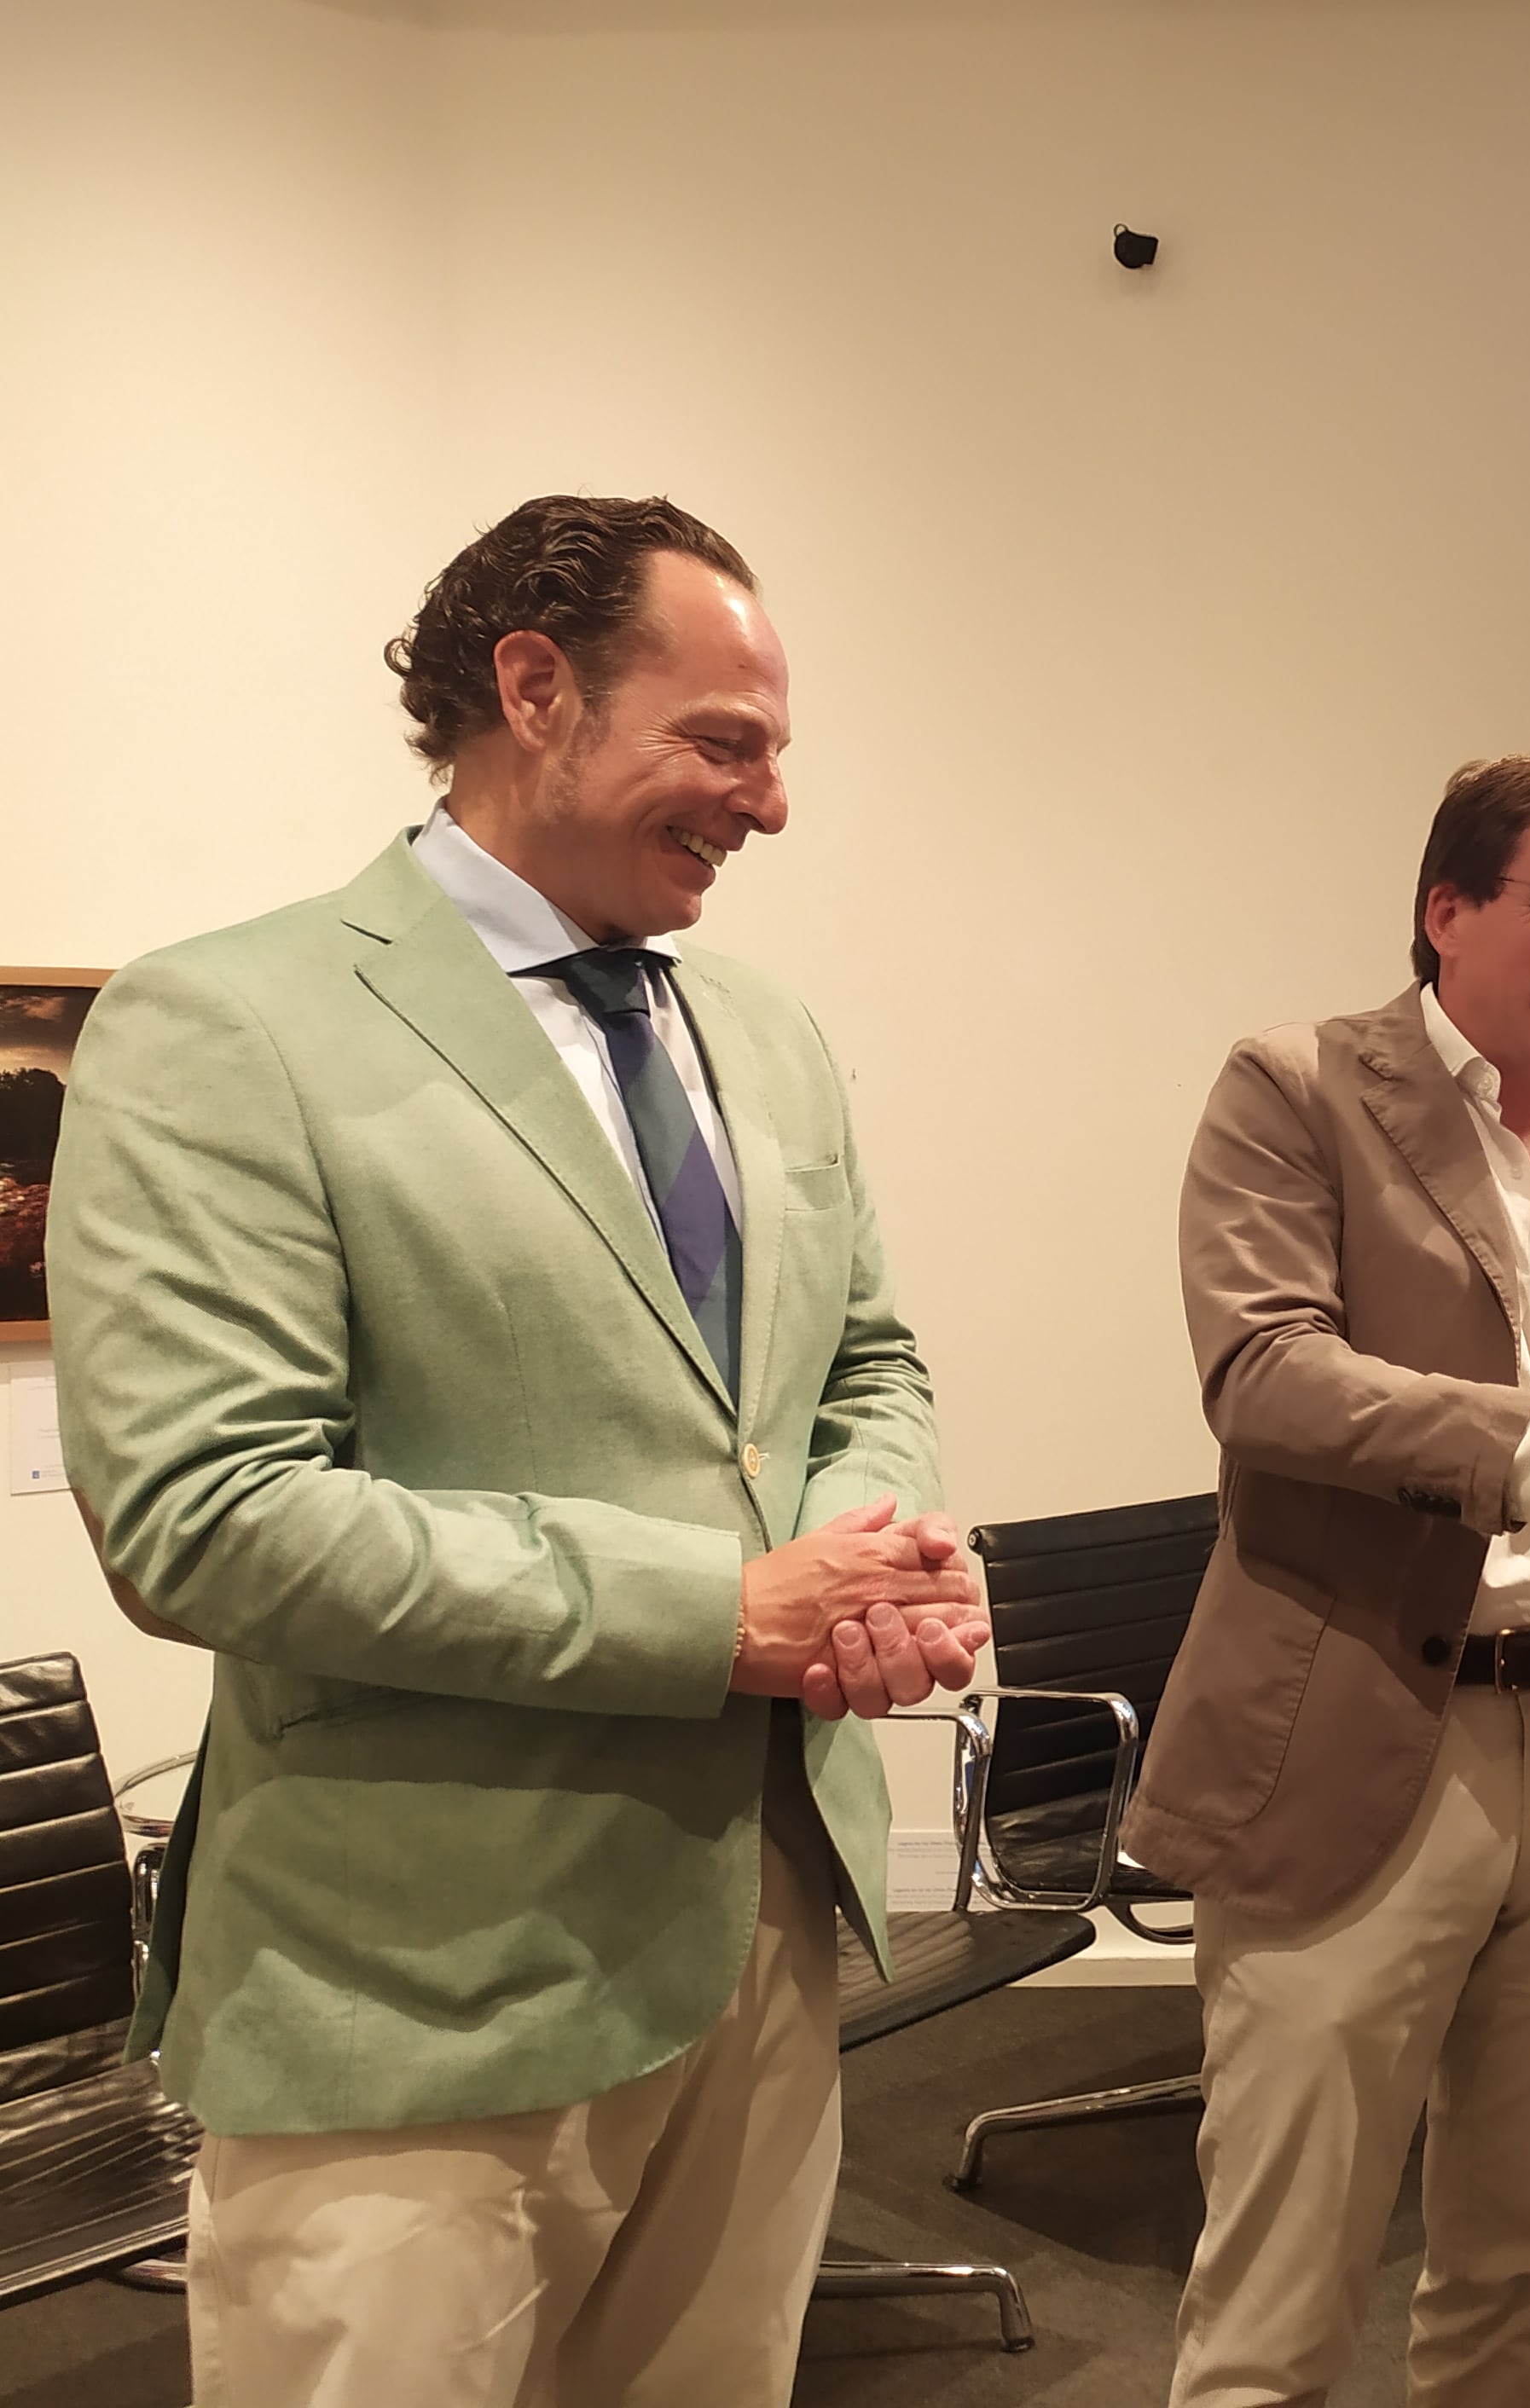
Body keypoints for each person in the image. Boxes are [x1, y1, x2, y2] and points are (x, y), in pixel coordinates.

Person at [49, 495, 988, 2407]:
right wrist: (727, 1611)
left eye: (777, 753)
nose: (770, 803)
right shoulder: (226, 1022)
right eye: (724, 742)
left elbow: (857, 1361)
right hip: (415, 1988)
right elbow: (202, 1516)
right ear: (536, 691)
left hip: (765, 1930)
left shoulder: (766, 1032)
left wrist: (864, 1553)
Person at [1131, 755, 1530, 2408]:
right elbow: (1262, 1374)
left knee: (1518, 2276)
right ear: (1445, 912)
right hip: (1360, 1732)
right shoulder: (1297, 1088)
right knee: (1277, 2303)